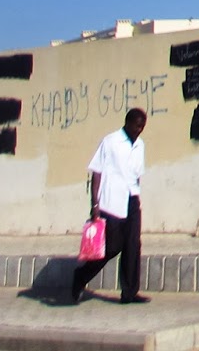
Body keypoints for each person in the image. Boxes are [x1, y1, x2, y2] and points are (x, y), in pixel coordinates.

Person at [70, 107, 148, 305]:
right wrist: (94, 203)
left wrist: (135, 199)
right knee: (111, 247)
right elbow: (97, 172)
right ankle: (81, 276)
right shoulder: (110, 141)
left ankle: (129, 292)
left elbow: (137, 175)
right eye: (137, 125)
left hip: (131, 199)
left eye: (142, 127)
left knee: (132, 245)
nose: (139, 130)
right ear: (128, 122)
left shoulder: (140, 145)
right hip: (111, 202)